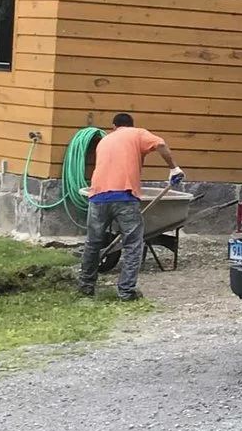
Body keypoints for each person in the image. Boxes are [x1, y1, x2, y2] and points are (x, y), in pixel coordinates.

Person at [77, 112, 185, 303]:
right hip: (124, 196)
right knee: (133, 244)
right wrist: (173, 168)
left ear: (113, 127)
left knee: (93, 242)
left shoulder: (105, 140)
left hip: (97, 196)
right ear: (131, 125)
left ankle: (85, 286)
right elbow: (160, 144)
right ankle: (126, 292)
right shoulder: (137, 133)